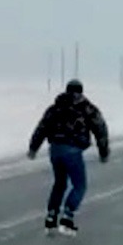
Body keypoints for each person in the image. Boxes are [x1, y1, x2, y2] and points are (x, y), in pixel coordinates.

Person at [27, 79, 109, 236]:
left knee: (60, 183)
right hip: (72, 150)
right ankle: (67, 216)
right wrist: (103, 152)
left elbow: (42, 127)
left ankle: (51, 216)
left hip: (55, 150)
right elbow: (100, 129)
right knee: (80, 185)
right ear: (81, 91)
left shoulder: (55, 108)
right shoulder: (86, 108)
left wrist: (33, 148)